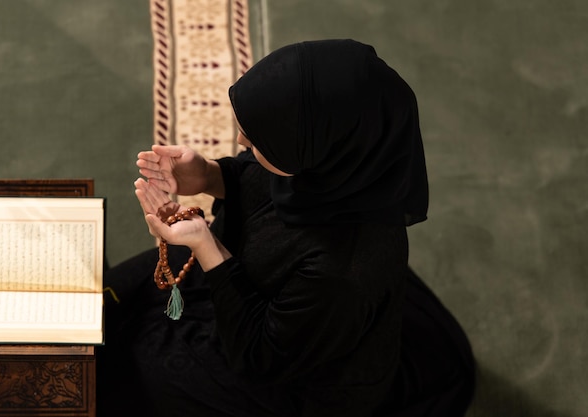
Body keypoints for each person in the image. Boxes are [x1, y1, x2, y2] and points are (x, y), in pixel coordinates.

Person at [97, 39, 475, 417]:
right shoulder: (334, 166)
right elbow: (259, 179)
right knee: (116, 293)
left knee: (131, 372)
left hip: (291, 379)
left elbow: (261, 359)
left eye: (258, 139)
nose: (242, 141)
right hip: (255, 277)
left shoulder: (344, 270)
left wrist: (207, 247)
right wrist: (209, 175)